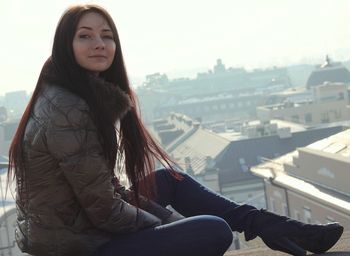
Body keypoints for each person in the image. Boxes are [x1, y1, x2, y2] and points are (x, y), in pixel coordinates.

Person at [8, 4, 343, 256]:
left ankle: (274, 228)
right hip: (75, 246)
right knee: (213, 232)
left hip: (80, 229)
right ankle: (281, 231)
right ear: (64, 46)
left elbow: (104, 194)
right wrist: (168, 225)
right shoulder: (69, 108)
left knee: (169, 180)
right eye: (85, 36)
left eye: (106, 36)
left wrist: (159, 219)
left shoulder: (74, 95)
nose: (99, 44)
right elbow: (105, 209)